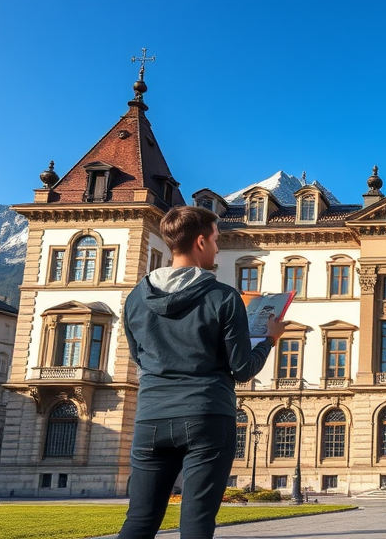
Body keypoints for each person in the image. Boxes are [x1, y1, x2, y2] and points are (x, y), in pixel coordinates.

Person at [118, 206, 285, 539]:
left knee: (140, 519)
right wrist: (269, 339)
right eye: (215, 239)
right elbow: (242, 369)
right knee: (196, 523)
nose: (218, 247)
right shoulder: (223, 297)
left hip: (151, 417)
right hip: (207, 414)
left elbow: (139, 356)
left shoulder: (135, 298)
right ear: (199, 242)